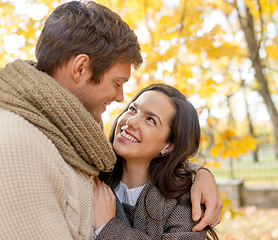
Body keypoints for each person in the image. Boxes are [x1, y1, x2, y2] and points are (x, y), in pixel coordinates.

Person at [0, 1, 222, 239]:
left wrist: (198, 174)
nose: (120, 98)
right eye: (117, 83)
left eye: (151, 119)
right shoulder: (18, 147)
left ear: (169, 145)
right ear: (81, 68)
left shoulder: (83, 145)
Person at [93, 83, 219, 239]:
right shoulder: (92, 171)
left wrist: (108, 227)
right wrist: (202, 172)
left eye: (151, 120)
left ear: (169, 145)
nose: (131, 121)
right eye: (132, 109)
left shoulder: (184, 204)